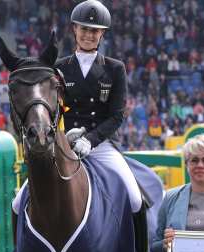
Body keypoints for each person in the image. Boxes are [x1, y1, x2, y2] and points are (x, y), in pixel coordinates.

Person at [56, 0, 142, 214]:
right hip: (67, 144)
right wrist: (63, 137)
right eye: (84, 28)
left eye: (95, 31)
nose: (89, 34)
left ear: (102, 33)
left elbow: (116, 116)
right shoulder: (59, 68)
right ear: (74, 28)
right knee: (20, 202)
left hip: (101, 145)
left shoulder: (115, 68)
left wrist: (90, 140)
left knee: (134, 198)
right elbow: (54, 109)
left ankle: (139, 249)